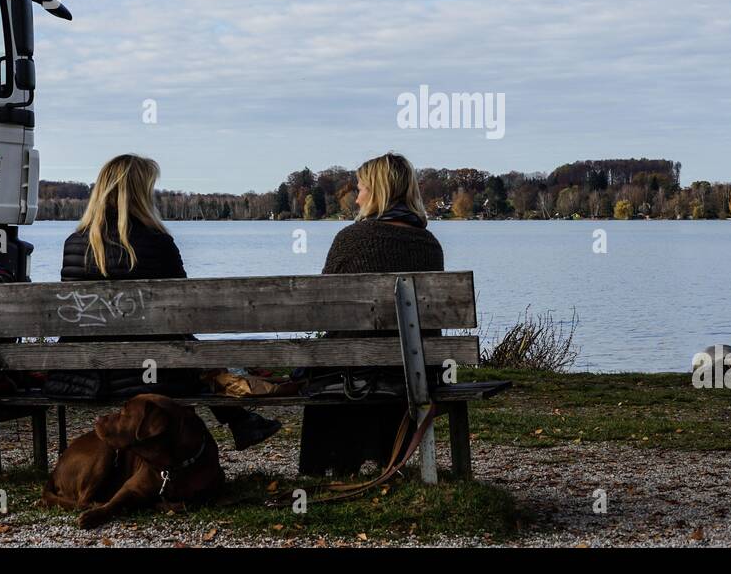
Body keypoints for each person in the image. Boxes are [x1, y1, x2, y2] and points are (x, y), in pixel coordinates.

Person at [56, 154, 280, 450]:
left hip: (83, 371)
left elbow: (71, 313)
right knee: (187, 345)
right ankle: (239, 422)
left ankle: (240, 422)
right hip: (152, 373)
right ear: (140, 194)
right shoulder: (157, 241)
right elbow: (183, 311)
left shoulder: (76, 243)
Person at [298, 152, 443, 475]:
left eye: (361, 188)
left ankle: (331, 466)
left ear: (376, 192)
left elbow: (324, 310)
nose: (356, 196)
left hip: (352, 369)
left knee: (333, 362)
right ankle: (391, 461)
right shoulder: (429, 244)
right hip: (414, 370)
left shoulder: (352, 238)